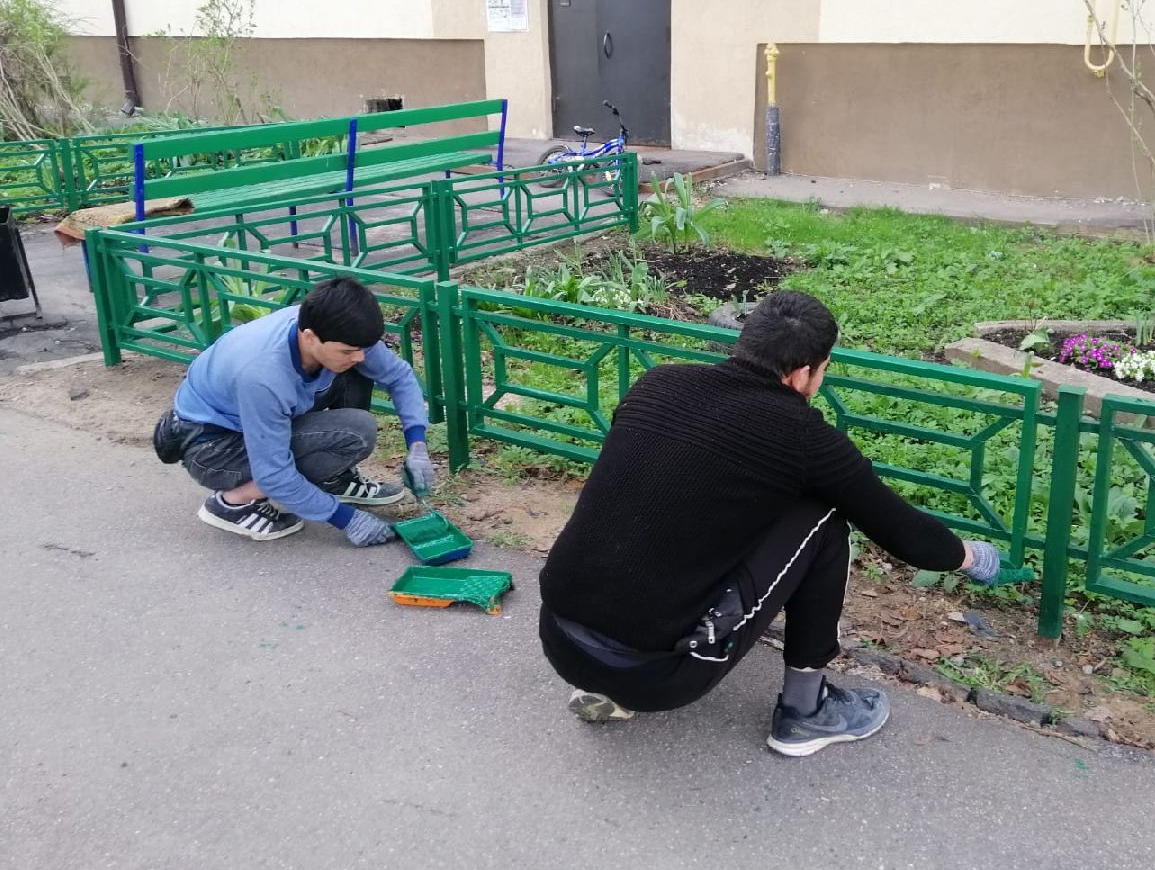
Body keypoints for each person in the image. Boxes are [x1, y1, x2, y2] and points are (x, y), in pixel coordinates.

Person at [537, 289, 1025, 758]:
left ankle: (602, 683)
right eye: (824, 370)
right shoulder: (802, 437)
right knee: (823, 519)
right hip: (659, 675)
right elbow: (906, 534)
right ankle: (805, 712)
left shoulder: (659, 383)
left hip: (559, 638)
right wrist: (973, 558)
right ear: (804, 373)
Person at [151, 276, 437, 544]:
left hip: (255, 421)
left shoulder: (337, 329)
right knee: (355, 433)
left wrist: (417, 445)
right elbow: (273, 474)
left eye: (363, 348)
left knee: (356, 375)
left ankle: (333, 479)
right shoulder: (263, 376)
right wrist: (347, 520)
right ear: (310, 337)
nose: (360, 355)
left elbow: (398, 376)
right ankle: (232, 504)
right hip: (213, 447)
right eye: (349, 351)